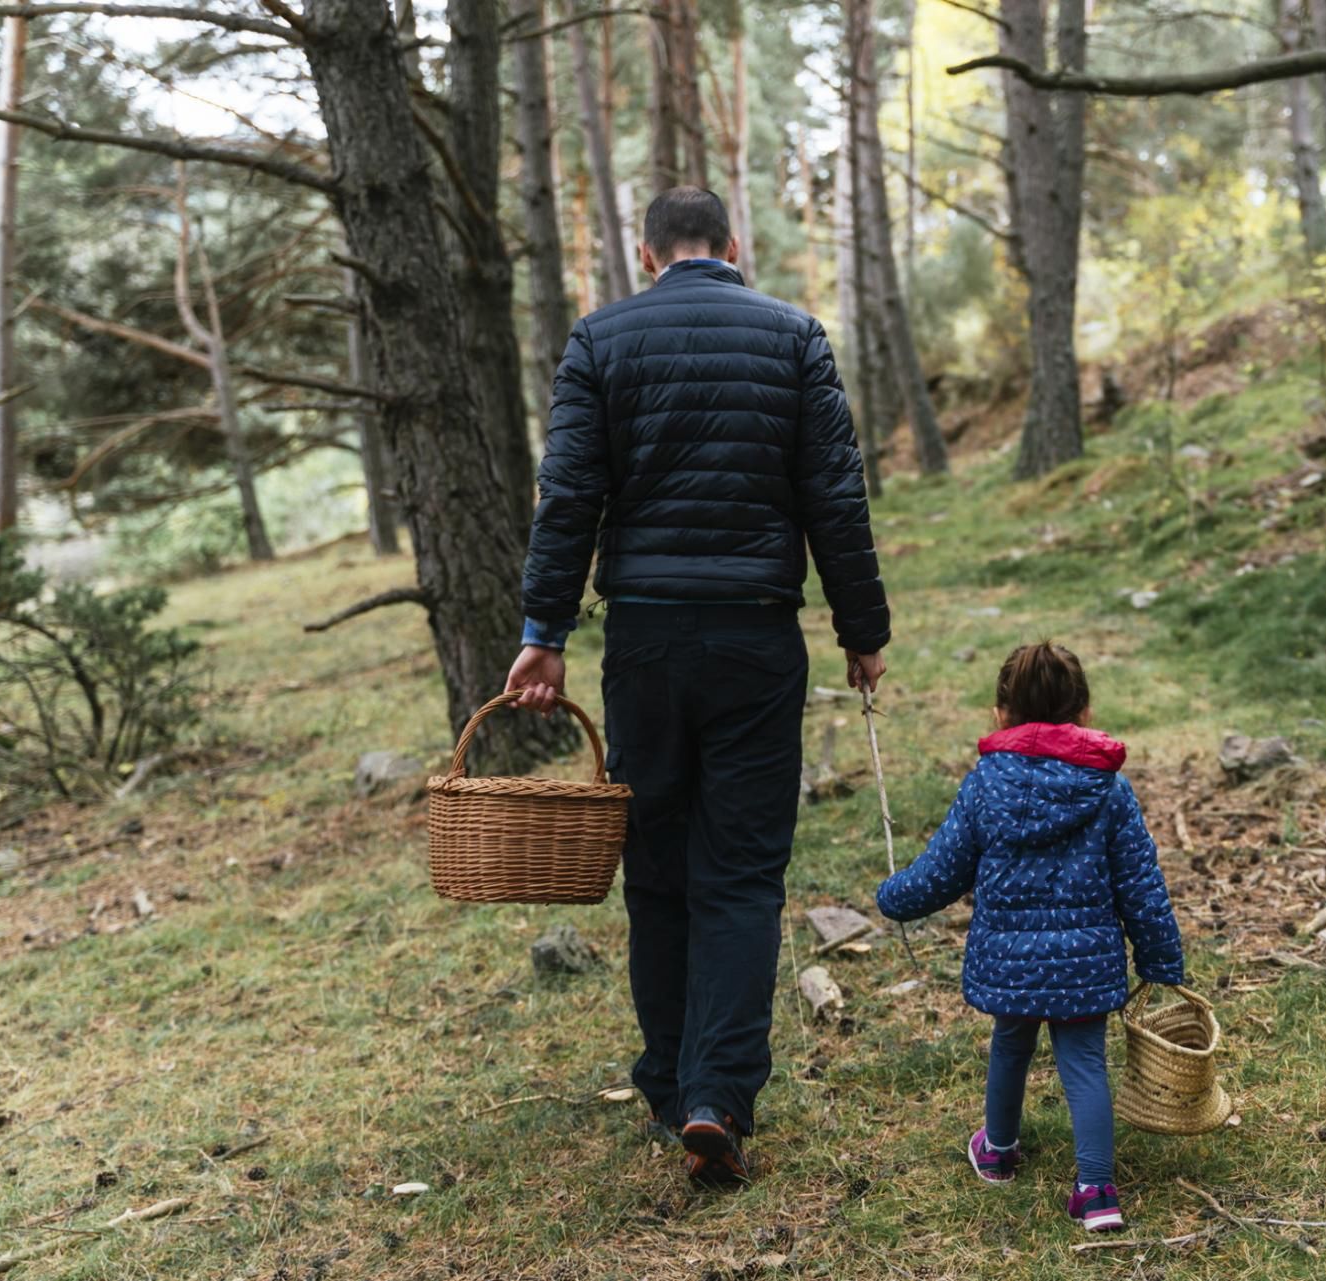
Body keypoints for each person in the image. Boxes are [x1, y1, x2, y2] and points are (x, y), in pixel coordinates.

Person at [507, 187, 888, 1187]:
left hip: (644, 642)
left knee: (658, 865)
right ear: (733, 244)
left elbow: (568, 496)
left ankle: (670, 1086)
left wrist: (544, 632)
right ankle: (716, 1095)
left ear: (648, 254)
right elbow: (835, 498)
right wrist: (863, 630)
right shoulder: (793, 336)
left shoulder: (600, 340)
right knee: (743, 872)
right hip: (756, 639)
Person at [874, 642, 1184, 1233]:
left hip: (1009, 961)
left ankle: (998, 1149)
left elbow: (943, 870)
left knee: (1011, 1044)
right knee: (1085, 1063)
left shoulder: (986, 785)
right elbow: (1141, 883)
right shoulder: (1108, 789)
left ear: (1001, 713)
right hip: (1085, 963)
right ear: (1084, 710)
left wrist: (895, 897)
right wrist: (1160, 958)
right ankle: (1097, 1191)